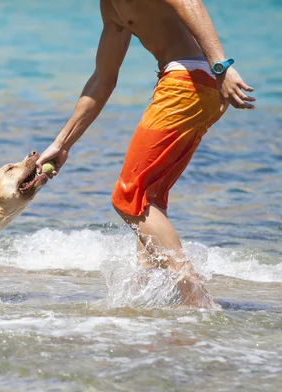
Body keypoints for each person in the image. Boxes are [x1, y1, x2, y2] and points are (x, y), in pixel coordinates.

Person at [36, 0, 256, 307]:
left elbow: (190, 2)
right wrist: (62, 143)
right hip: (195, 86)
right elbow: (103, 80)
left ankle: (195, 298)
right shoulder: (111, 9)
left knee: (128, 197)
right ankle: (150, 298)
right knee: (149, 197)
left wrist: (221, 66)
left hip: (188, 83)